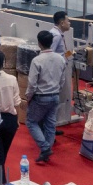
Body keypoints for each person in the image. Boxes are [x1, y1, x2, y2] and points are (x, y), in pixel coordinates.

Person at [25, 30, 66, 164]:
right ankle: (46, 151)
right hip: (55, 96)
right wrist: (56, 90)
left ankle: (45, 147)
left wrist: (28, 97)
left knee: (31, 122)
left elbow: (32, 83)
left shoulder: (37, 60)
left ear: (39, 43)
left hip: (40, 97)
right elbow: (62, 80)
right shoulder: (60, 59)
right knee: (50, 124)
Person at [0, 50, 21, 178]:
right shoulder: (12, 79)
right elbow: (17, 101)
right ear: (4, 62)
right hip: (10, 119)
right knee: (3, 151)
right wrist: (17, 119)